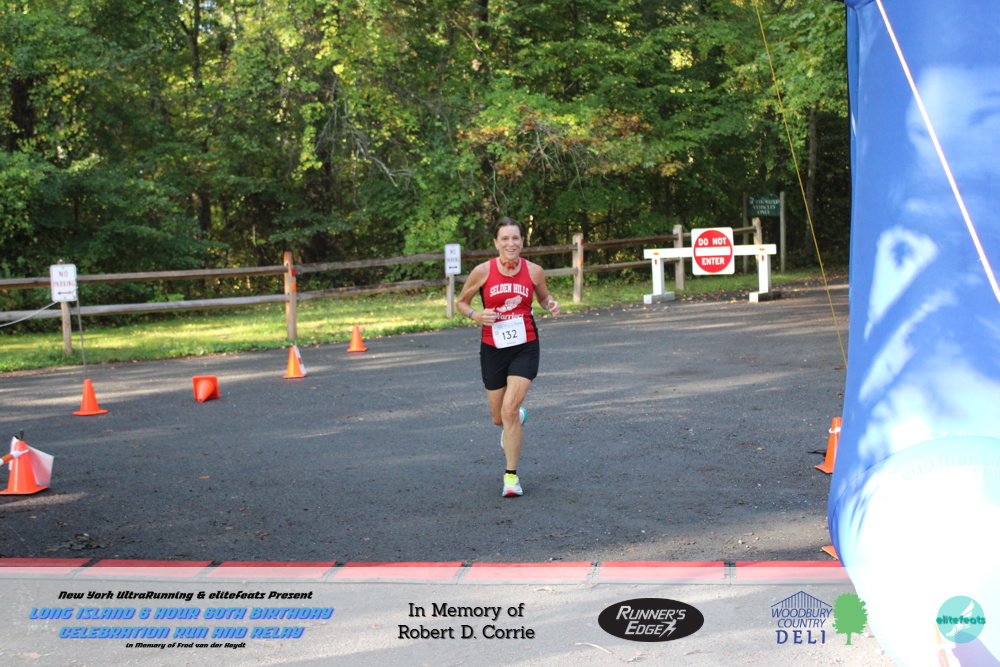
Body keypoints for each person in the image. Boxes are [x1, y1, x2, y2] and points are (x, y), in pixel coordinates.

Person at [457, 217, 561, 497]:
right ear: (496, 243)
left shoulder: (534, 271)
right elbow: (461, 302)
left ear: (522, 241)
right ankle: (516, 417)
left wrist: (551, 304)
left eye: (515, 238)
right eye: (505, 238)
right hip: (493, 347)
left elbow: (543, 297)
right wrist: (476, 315)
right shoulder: (482, 271)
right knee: (498, 418)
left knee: (509, 410)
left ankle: (511, 477)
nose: (510, 243)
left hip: (525, 345)